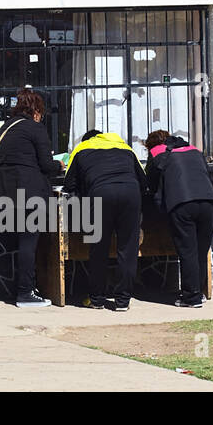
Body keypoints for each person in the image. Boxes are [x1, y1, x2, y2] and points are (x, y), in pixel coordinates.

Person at [0, 89, 62, 307]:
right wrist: (59, 165)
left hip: (5, 192)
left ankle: (25, 289)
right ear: (36, 110)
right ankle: (25, 293)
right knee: (28, 243)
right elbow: (46, 164)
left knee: (22, 242)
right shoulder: (34, 128)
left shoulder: (5, 129)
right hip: (29, 192)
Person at [64, 128, 144, 311]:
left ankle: (97, 299)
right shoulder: (125, 148)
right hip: (130, 194)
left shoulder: (82, 148)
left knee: (98, 249)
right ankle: (123, 301)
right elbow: (143, 180)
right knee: (128, 249)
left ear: (87, 140)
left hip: (100, 195)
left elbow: (69, 184)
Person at [145, 129, 213, 308]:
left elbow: (151, 182)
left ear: (151, 145)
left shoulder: (157, 153)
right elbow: (209, 176)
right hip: (208, 201)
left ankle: (191, 297)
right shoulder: (194, 150)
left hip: (181, 203)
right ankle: (198, 293)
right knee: (201, 250)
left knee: (188, 251)